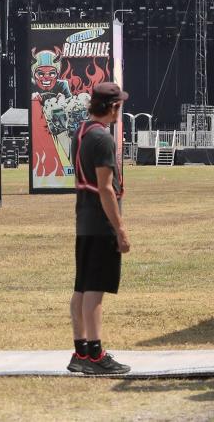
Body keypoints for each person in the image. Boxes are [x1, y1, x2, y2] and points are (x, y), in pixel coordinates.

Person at [67, 81, 131, 375]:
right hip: (100, 220)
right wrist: (120, 228)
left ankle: (80, 350)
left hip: (84, 219)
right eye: (120, 105)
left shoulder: (80, 132)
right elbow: (105, 188)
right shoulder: (103, 139)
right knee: (95, 291)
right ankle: (95, 354)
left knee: (81, 288)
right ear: (113, 106)